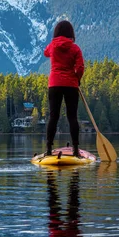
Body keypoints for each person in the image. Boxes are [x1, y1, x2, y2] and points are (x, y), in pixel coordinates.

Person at [44, 20, 84, 157]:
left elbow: (45, 53)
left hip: (54, 84)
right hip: (71, 85)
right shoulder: (75, 48)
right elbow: (79, 68)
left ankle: (49, 149)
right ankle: (76, 149)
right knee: (72, 117)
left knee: (53, 117)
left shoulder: (52, 46)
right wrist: (77, 79)